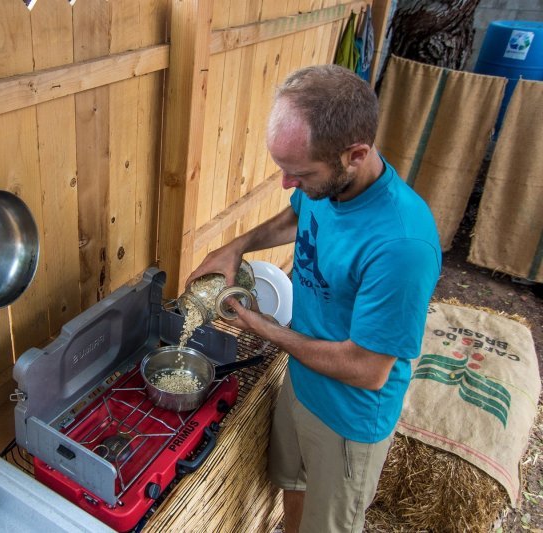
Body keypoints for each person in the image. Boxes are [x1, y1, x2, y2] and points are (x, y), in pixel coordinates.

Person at [186, 65, 441, 532]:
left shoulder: (402, 245)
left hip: (348, 420)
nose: (286, 182)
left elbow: (367, 370)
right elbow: (296, 217)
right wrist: (236, 245)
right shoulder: (326, 185)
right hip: (302, 382)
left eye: (298, 173)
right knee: (294, 490)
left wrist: (266, 329)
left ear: (355, 154)